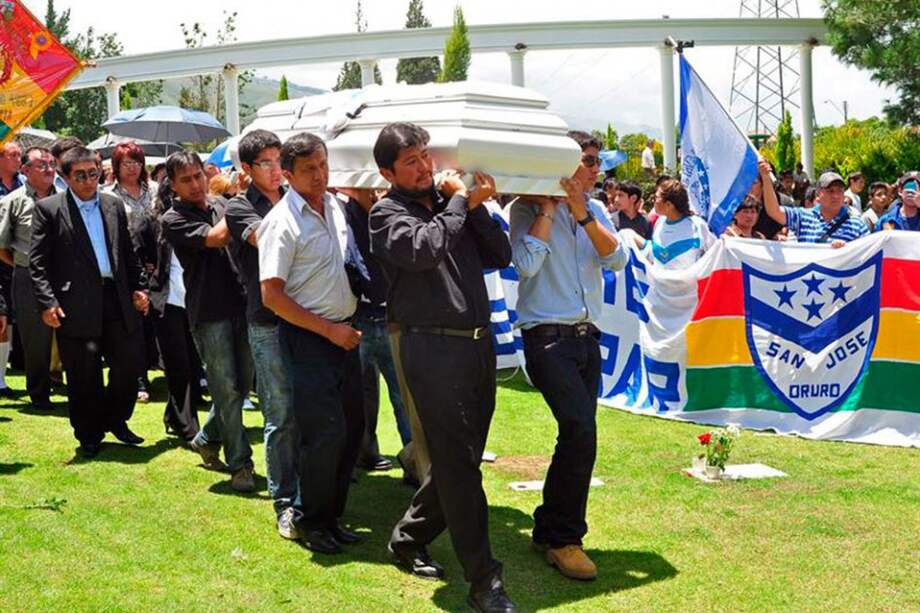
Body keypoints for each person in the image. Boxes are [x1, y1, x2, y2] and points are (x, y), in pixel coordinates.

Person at [369, 122, 517, 613]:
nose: (424, 166)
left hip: (477, 348)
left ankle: (407, 539)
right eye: (410, 161)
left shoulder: (451, 207)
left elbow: (501, 254)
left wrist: (474, 209)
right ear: (388, 171)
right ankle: (484, 582)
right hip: (429, 351)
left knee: (461, 462)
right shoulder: (387, 214)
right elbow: (425, 249)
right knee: (458, 466)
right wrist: (459, 204)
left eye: (425, 156)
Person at [510, 130, 627, 582]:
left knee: (578, 433)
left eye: (598, 162)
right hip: (546, 337)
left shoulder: (595, 211)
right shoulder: (523, 207)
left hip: (586, 338)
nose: (596, 170)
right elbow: (525, 265)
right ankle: (564, 538)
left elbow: (616, 262)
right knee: (580, 429)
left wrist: (582, 215)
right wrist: (547, 210)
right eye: (589, 161)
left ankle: (550, 528)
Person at [259, 132, 366, 554]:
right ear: (287, 175)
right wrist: (328, 330)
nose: (320, 175)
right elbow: (272, 295)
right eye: (309, 169)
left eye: (323, 165)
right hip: (310, 338)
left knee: (351, 429)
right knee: (324, 433)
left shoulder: (336, 206)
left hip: (344, 333)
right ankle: (308, 518)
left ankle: (330, 516)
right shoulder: (282, 222)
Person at [29, 146, 149, 458]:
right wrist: (47, 302)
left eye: (93, 173)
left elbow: (127, 251)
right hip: (75, 301)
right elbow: (38, 263)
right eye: (79, 175)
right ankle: (89, 433)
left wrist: (139, 287)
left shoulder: (112, 204)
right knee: (84, 374)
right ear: (65, 176)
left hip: (116, 297)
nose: (88, 180)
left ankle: (116, 419)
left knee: (128, 365)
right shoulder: (49, 209)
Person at [161, 151, 256, 492]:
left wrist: (235, 200)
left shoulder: (219, 204)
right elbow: (216, 238)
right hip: (208, 312)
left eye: (198, 176)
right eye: (185, 179)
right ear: (172, 185)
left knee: (242, 385)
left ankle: (205, 438)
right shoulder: (173, 218)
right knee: (226, 390)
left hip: (242, 303)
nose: (196, 184)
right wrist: (241, 200)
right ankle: (240, 464)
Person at [225, 129, 300, 539]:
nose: (276, 171)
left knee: (306, 404)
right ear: (247, 169)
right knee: (279, 412)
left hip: (305, 315)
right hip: (267, 319)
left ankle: (308, 487)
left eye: (279, 161)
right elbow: (270, 239)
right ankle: (284, 500)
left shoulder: (297, 197)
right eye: (266, 163)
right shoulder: (239, 207)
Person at [340, 187, 413, 474]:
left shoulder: (389, 208)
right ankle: (362, 454)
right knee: (361, 396)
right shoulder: (341, 213)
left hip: (390, 315)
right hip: (359, 316)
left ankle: (415, 461)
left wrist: (371, 203)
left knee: (404, 396)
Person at [137, 179, 205, 442]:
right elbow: (137, 253)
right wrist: (148, 276)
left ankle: (173, 416)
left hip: (195, 302)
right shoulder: (151, 223)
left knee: (191, 362)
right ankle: (188, 426)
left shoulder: (199, 219)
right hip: (166, 302)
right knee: (178, 365)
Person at [0, 147, 58, 409]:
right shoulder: (12, 201)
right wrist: (25, 266)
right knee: (36, 340)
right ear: (25, 171)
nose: (49, 169)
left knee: (73, 334)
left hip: (65, 276)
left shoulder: (67, 198)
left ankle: (80, 389)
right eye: (41, 165)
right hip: (27, 277)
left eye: (51, 164)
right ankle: (39, 394)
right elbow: (1, 246)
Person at [105, 142, 159, 403]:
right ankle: (139, 378)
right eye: (127, 163)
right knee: (133, 324)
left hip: (159, 264)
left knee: (159, 322)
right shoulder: (109, 195)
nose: (133, 168)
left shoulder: (156, 192)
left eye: (137, 162)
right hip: (126, 268)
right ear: (116, 166)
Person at [762, 162, 869, 247]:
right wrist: (766, 178)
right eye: (830, 191)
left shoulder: (858, 225)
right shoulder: (802, 217)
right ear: (818, 194)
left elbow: (868, 255)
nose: (836, 196)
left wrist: (847, 251)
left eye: (840, 191)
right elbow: (773, 211)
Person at [633, 179, 716, 269]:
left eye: (656, 198)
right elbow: (656, 256)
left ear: (669, 205)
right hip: (659, 282)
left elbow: (715, 255)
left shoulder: (697, 225)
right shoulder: (659, 222)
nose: (653, 201)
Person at [0, 141, 22, 396]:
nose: (18, 159)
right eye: (13, 154)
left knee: (12, 318)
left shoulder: (22, 185)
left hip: (18, 259)